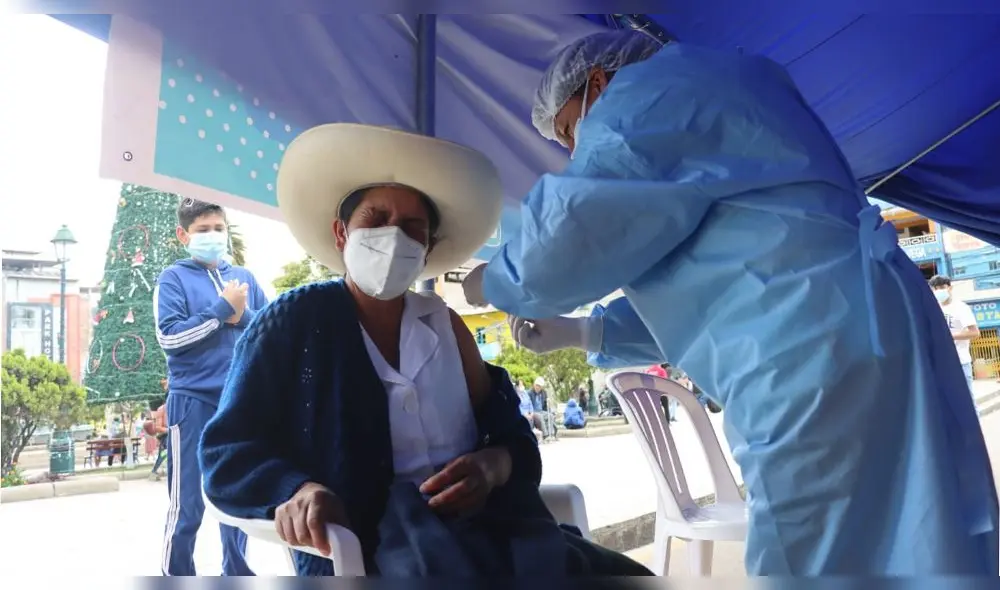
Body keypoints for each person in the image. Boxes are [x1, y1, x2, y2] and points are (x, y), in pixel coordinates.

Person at [462, 31, 999, 575]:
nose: (575, 150)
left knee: (811, 555)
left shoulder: (645, 95)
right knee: (914, 543)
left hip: (810, 358)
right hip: (864, 326)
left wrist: (493, 280)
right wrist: (588, 333)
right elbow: (726, 279)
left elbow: (571, 230)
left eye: (568, 133)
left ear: (597, 84)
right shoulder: (729, 87)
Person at [199, 123, 650, 577]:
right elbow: (226, 451)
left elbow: (514, 441)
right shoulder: (294, 321)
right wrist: (295, 491)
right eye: (375, 220)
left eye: (413, 228)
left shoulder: (445, 325)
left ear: (428, 247)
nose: (394, 237)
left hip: (495, 537)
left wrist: (491, 468)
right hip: (373, 557)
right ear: (341, 233)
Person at [155, 198, 267, 576]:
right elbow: (170, 338)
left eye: (218, 228)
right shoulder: (173, 278)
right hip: (191, 402)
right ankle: (177, 573)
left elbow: (269, 330)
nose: (213, 236)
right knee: (187, 504)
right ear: (183, 235)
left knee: (236, 495)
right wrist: (222, 311)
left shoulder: (245, 278)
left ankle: (236, 574)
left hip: (238, 401)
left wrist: (240, 313)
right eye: (203, 230)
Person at [929, 275, 981, 397]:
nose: (938, 291)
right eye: (935, 288)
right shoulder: (931, 308)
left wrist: (948, 336)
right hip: (938, 363)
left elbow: (975, 332)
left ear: (950, 288)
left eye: (942, 287)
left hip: (960, 362)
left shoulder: (961, 308)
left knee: (966, 400)